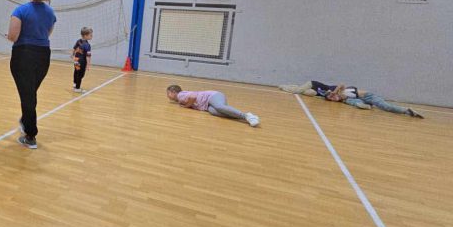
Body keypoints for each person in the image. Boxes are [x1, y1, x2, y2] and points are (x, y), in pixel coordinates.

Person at [7, 0, 56, 149]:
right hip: (43, 56)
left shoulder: (20, 11)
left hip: (23, 55)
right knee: (29, 93)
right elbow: (47, 33)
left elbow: (13, 37)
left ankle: (30, 136)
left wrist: (9, 35)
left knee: (28, 95)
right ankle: (26, 120)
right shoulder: (51, 13)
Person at [279, 80, 424, 117]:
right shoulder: (345, 100)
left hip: (369, 96)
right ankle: (367, 107)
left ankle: (407, 110)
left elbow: (341, 84)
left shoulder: (340, 90)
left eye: (333, 97)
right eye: (333, 99)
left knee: (386, 107)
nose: (334, 98)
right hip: (359, 101)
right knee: (357, 104)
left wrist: (335, 92)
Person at [167, 85, 260, 127]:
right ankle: (244, 118)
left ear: (174, 92)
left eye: (168, 93)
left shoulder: (180, 95)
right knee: (214, 112)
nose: (167, 96)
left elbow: (193, 97)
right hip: (207, 105)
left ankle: (247, 115)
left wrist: (187, 106)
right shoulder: (181, 97)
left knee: (219, 107)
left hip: (212, 96)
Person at [72, 27, 93, 93]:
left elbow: (74, 48)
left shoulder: (78, 41)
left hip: (76, 60)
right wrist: (88, 65)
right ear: (85, 36)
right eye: (90, 35)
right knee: (81, 74)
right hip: (82, 62)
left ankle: (75, 83)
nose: (92, 36)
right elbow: (88, 56)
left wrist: (72, 55)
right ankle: (77, 88)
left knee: (76, 72)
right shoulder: (87, 45)